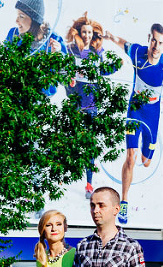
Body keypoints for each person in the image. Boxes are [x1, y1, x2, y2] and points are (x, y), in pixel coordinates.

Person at [103, 24, 163, 224]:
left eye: (160, 43)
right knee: (130, 157)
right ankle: (124, 202)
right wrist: (111, 37)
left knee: (146, 160)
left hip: (152, 116)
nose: (156, 46)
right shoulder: (139, 53)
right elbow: (123, 44)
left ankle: (148, 150)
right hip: (134, 111)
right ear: (149, 38)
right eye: (154, 41)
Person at [64, 12, 111, 199]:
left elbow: (102, 74)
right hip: (76, 105)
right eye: (84, 32)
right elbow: (65, 74)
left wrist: (114, 67)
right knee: (74, 143)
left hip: (91, 106)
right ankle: (64, 174)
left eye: (90, 33)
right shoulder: (70, 50)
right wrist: (70, 81)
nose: (87, 35)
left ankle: (89, 184)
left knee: (89, 147)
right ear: (79, 32)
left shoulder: (97, 52)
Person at [5, 0, 66, 96]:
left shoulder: (53, 39)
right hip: (13, 98)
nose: (16, 21)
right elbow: (4, 64)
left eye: (21, 16)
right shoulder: (13, 34)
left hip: (39, 102)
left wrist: (58, 56)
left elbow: (66, 78)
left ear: (34, 19)